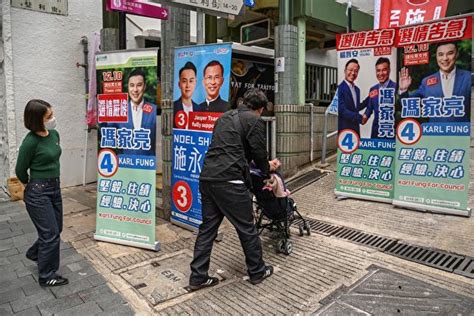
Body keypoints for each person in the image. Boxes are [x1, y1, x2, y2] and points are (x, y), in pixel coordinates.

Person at [189, 88, 276, 291]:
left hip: (208, 178)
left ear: (243, 101)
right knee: (247, 228)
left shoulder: (223, 118)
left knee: (207, 229)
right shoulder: (255, 120)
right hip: (230, 182)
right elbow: (259, 154)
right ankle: (257, 271)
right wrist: (267, 171)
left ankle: (198, 277)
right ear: (261, 109)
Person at [15, 99, 68, 287]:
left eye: (52, 114)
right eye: (49, 116)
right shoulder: (30, 142)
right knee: (50, 234)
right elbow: (20, 170)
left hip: (55, 187)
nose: (53, 118)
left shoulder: (54, 134)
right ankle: (47, 276)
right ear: (37, 120)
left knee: (56, 229)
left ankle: (35, 253)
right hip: (38, 192)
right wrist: (30, 185)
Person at [399, 42, 471, 122]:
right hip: (435, 132)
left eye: (450, 53)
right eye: (440, 54)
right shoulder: (427, 82)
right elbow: (408, 104)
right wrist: (404, 89)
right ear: (436, 56)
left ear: (456, 54)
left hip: (462, 132)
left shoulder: (468, 78)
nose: (445, 58)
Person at [116, 68, 157, 155]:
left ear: (144, 86)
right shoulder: (119, 111)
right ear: (128, 87)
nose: (135, 90)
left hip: (148, 165)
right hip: (126, 165)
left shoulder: (154, 110)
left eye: (139, 85)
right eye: (132, 85)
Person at [360, 57, 397, 139]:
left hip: (392, 132)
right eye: (378, 70)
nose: (381, 73)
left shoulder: (396, 88)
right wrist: (361, 118)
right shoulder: (373, 89)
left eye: (384, 70)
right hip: (376, 133)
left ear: (389, 70)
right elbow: (369, 109)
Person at [338, 59, 362, 136]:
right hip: (344, 129)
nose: (353, 73)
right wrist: (358, 117)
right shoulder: (340, 88)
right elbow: (342, 110)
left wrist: (370, 97)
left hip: (356, 130)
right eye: (350, 70)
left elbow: (356, 107)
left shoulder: (357, 90)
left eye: (356, 71)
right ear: (345, 71)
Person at [173, 62, 201, 129]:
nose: (188, 85)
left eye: (191, 81)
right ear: (179, 84)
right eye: (184, 81)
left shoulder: (200, 109)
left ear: (195, 83)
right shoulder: (173, 108)